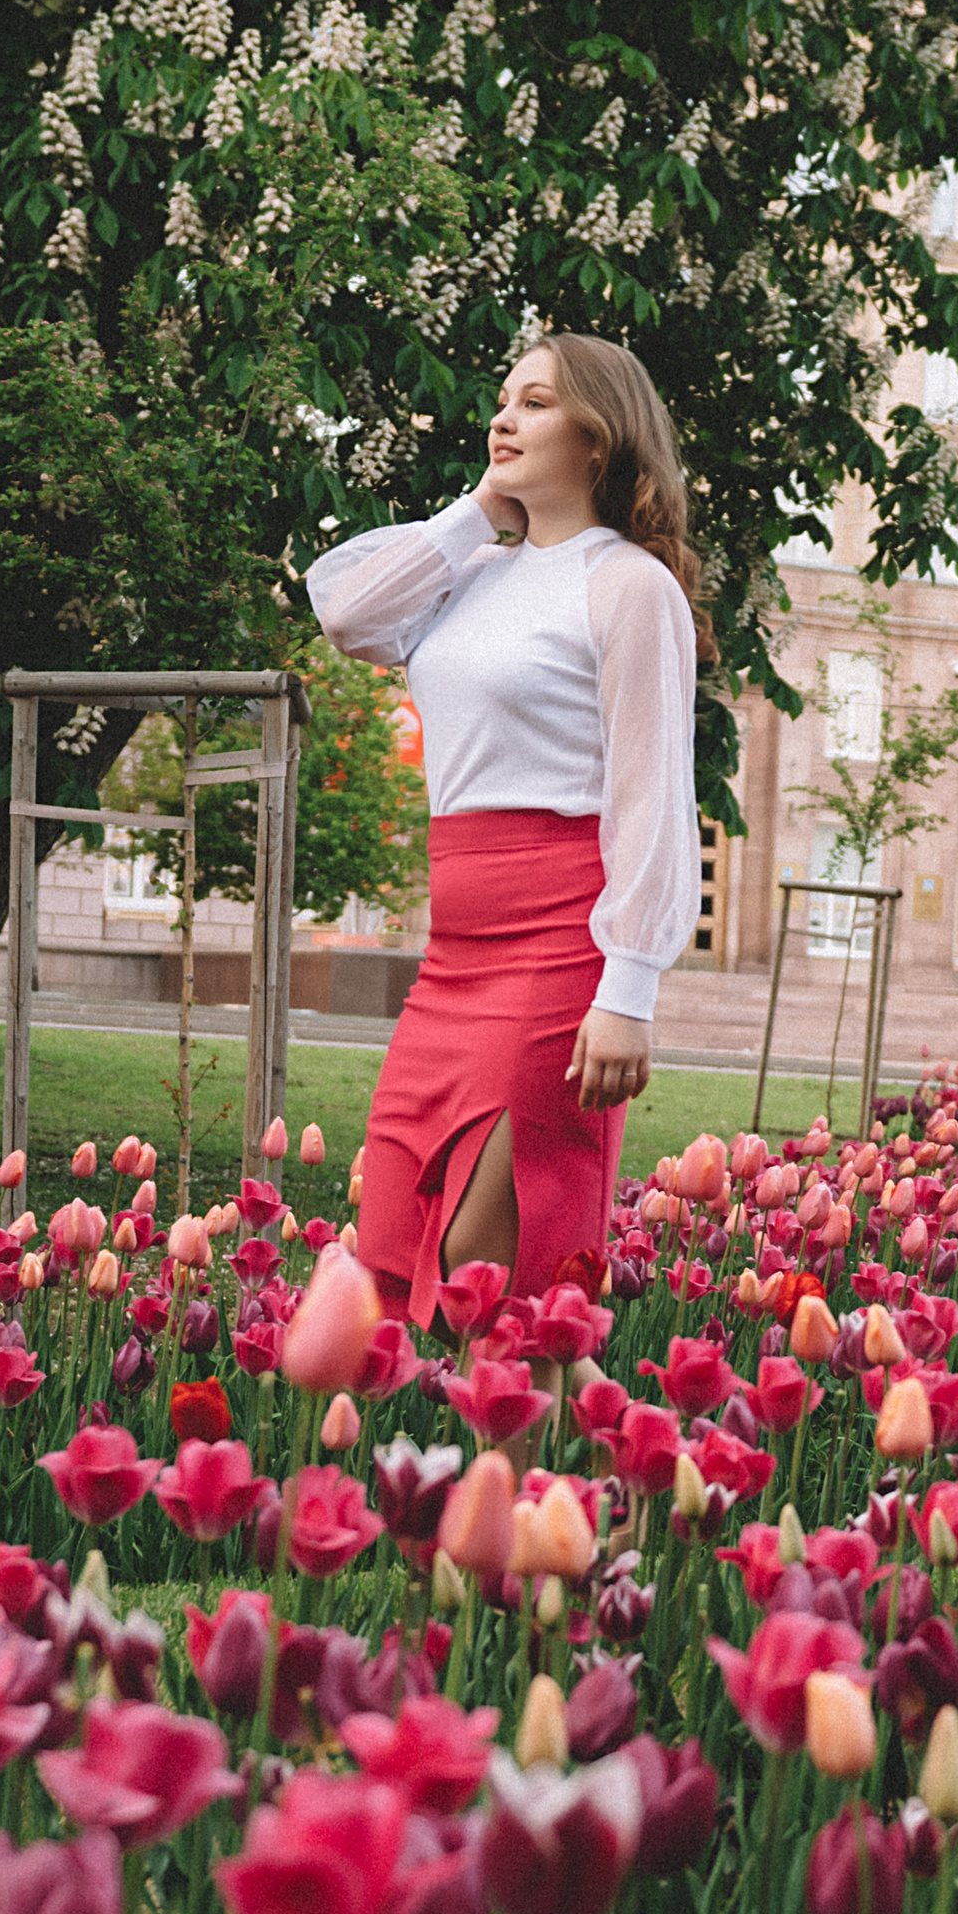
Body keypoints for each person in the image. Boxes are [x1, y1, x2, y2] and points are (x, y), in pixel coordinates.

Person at [305, 332, 703, 1323]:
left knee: (494, 1257)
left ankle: (512, 1477)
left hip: (558, 943)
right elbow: (350, 614)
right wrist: (481, 508)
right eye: (502, 398)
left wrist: (629, 987)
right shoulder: (471, 573)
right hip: (453, 956)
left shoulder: (629, 584)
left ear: (600, 438)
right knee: (391, 1247)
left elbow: (653, 792)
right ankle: (418, 1479)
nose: (502, 417)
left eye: (535, 402)